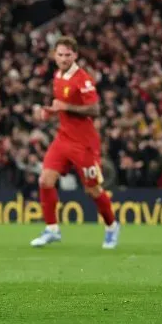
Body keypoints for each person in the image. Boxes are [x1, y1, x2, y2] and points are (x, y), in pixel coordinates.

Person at [30, 36, 120, 249]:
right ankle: (52, 229)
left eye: (67, 55)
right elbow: (62, 108)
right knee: (45, 180)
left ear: (75, 55)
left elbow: (95, 110)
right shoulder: (57, 75)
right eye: (60, 54)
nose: (63, 59)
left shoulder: (83, 79)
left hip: (84, 144)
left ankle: (111, 226)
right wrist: (49, 112)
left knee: (92, 190)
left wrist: (65, 107)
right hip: (63, 139)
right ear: (54, 55)